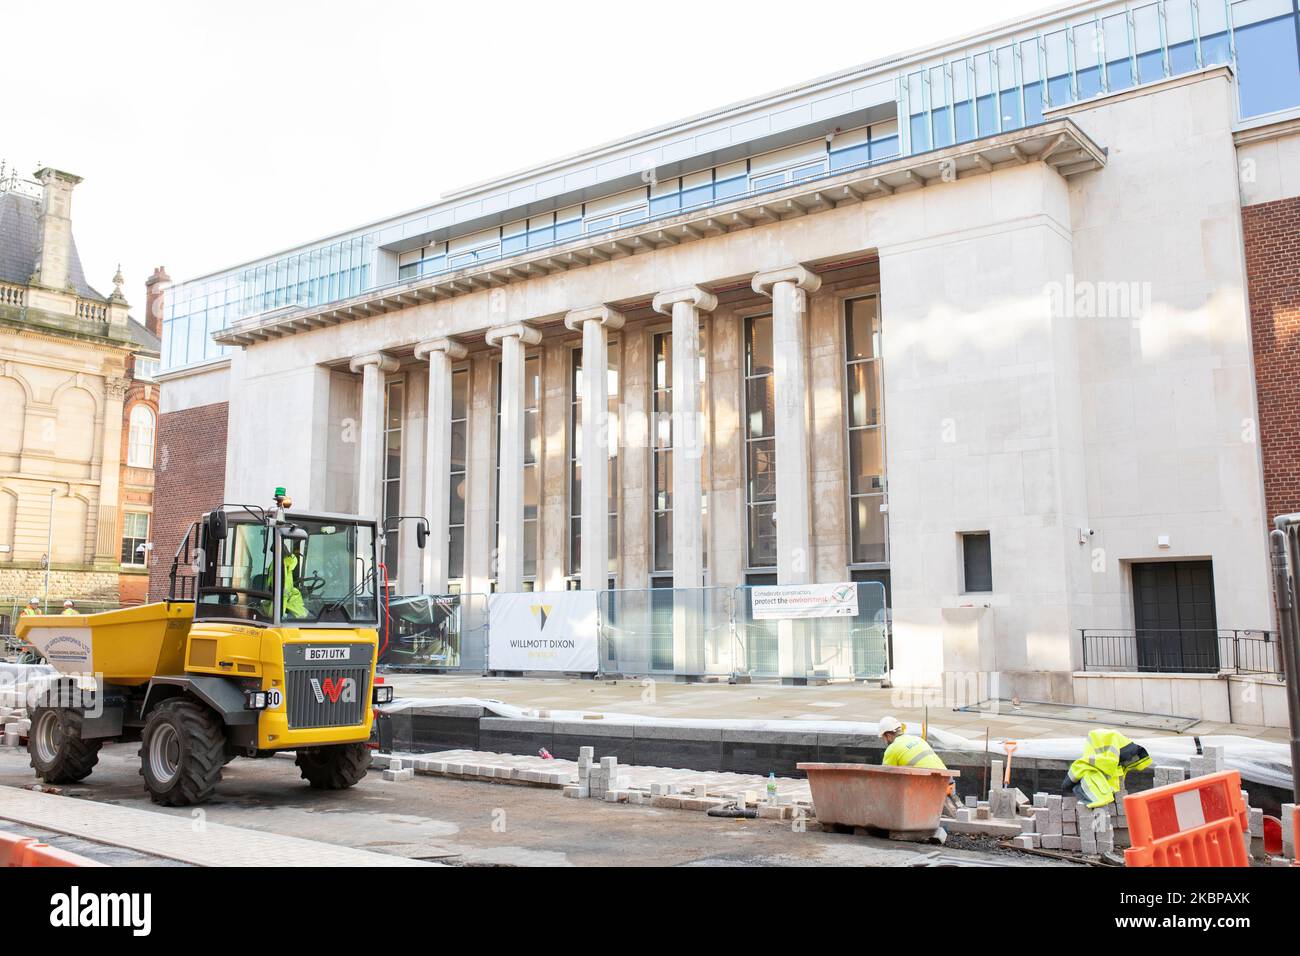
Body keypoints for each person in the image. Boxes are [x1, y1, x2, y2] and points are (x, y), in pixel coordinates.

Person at [879, 715, 960, 814]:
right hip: (948, 782)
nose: (884, 741)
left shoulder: (892, 749)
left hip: (932, 789)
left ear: (888, 735)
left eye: (883, 738)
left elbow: (885, 779)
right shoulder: (917, 739)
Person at [1064, 728, 1151, 809]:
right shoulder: (1112, 766)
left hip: (1110, 802)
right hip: (1107, 806)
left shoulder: (1086, 766)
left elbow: (1069, 781)